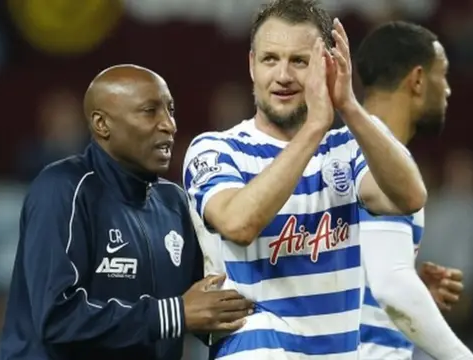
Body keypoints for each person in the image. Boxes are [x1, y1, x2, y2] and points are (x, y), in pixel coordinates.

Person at [182, 0, 428, 359]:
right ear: (252, 65)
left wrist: (349, 108)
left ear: (327, 66)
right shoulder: (216, 149)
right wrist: (314, 127)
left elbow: (409, 197)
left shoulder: (349, 147)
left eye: (299, 61)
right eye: (270, 59)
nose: (283, 75)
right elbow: (238, 223)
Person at [0, 64, 254, 360]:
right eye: (150, 111)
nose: (169, 125)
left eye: (170, 110)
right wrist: (174, 313)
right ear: (102, 124)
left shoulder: (174, 203)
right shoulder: (64, 188)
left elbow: (205, 308)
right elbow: (57, 317)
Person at [354, 22, 473, 359]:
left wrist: (415, 289)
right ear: (418, 79)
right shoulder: (384, 164)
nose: (448, 90)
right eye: (444, 75)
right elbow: (391, 287)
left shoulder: (342, 151)